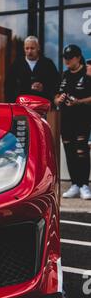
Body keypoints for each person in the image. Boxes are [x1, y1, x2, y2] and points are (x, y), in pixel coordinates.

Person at [54, 45, 91, 200]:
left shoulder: (88, 73)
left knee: (81, 151)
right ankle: (75, 184)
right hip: (66, 121)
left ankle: (84, 185)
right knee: (69, 152)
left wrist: (79, 102)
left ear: (78, 57)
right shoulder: (64, 75)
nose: (67, 60)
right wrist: (58, 99)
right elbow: (55, 97)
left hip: (82, 120)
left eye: (70, 58)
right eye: (65, 58)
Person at [5, 36, 60, 103]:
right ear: (23, 49)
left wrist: (44, 87)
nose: (29, 51)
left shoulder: (48, 64)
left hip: (43, 105)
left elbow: (56, 83)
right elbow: (8, 86)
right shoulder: (17, 64)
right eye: (27, 48)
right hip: (22, 106)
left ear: (38, 48)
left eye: (32, 48)